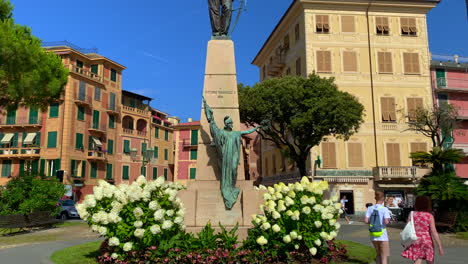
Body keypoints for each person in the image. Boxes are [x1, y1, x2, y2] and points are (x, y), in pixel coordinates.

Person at [203, 98, 259, 209]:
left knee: (234, 169)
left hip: (233, 157)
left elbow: (246, 132)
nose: (232, 124)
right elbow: (214, 129)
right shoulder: (222, 133)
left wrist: (255, 128)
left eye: (232, 123)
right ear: (227, 124)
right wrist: (211, 118)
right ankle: (227, 190)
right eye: (230, 123)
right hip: (225, 157)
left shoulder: (235, 134)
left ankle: (231, 187)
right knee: (228, 169)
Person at [401, 196, 444, 264]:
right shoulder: (429, 216)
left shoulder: (412, 214)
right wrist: (439, 246)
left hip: (415, 239)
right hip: (427, 240)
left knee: (418, 260)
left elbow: (407, 227)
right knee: (429, 259)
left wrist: (405, 240)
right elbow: (434, 232)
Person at [365, 191, 391, 264]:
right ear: (383, 199)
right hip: (382, 235)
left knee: (378, 254)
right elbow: (386, 222)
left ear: (375, 198)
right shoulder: (384, 209)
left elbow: (366, 220)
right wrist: (388, 220)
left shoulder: (370, 208)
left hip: (373, 234)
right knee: (384, 256)